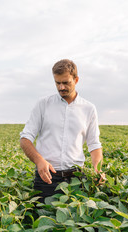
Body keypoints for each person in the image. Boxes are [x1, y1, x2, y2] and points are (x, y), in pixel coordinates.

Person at [20, 59, 105, 201]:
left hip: (76, 179)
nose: (61, 87)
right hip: (46, 177)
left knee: (75, 222)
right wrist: (39, 161)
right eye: (57, 83)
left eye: (65, 83)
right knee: (44, 220)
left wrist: (97, 169)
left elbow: (94, 144)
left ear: (76, 80)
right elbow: (25, 139)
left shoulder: (89, 109)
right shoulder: (43, 104)